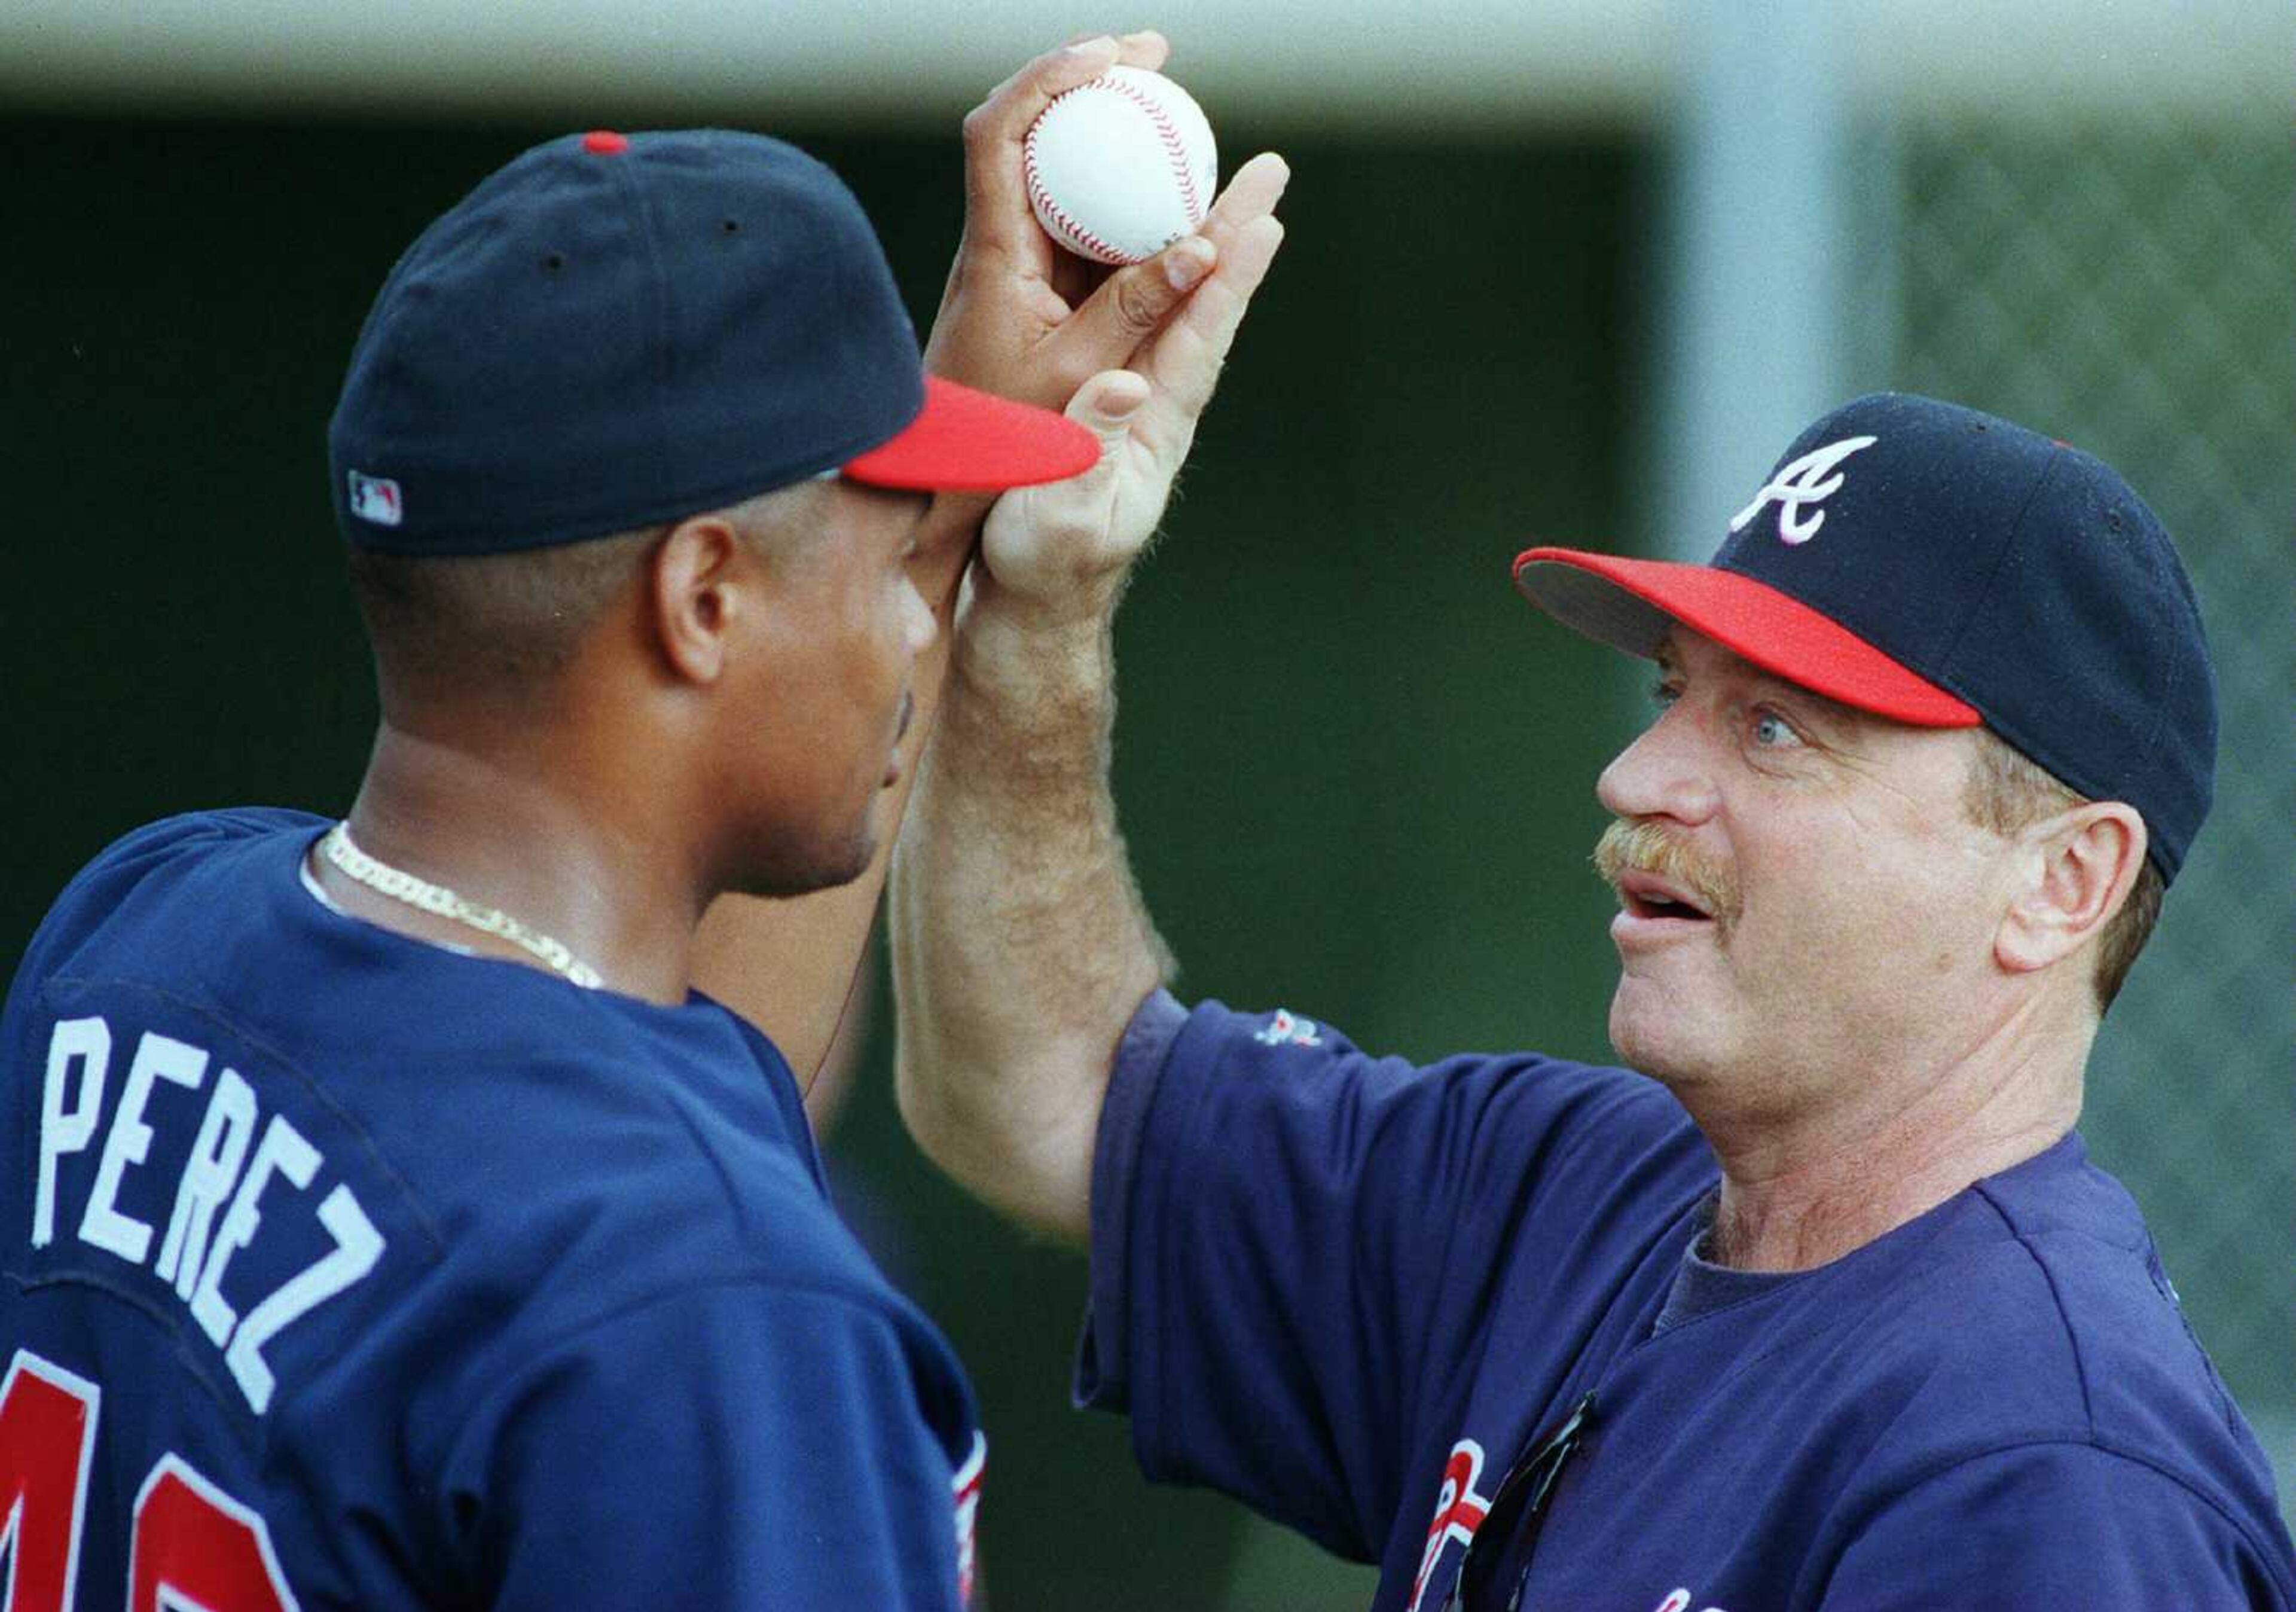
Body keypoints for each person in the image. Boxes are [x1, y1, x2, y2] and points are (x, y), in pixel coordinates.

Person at [0, 33, 1287, 1605]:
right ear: (700, 598)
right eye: (887, 566)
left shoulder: (132, 936)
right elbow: (651, 1213)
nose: (911, 635)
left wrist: (923, 516)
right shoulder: (714, 1316)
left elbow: (659, 1095)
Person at [890, 347, 2296, 1606]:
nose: (1638, 776)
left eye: (1777, 729)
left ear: (2064, 883)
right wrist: (1036, 612)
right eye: (1671, 692)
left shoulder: (2049, 1477)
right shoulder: (1565, 1192)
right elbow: (1037, 1089)